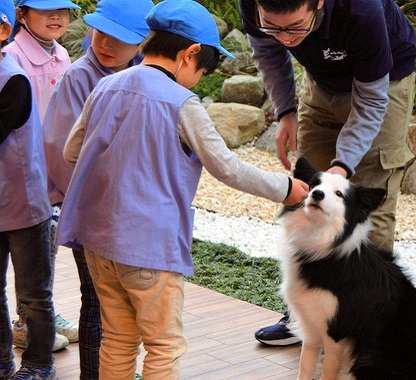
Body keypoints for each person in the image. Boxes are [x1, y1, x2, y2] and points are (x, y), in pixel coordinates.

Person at [55, 0, 309, 378]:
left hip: (97, 242)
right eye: (202, 69)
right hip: (148, 247)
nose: (198, 78)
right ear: (189, 54)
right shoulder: (182, 103)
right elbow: (227, 167)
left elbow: (71, 151)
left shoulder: (106, 85)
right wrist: (286, 188)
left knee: (119, 339)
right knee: (163, 345)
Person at [238, 0, 416, 345]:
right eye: (273, 26)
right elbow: (268, 53)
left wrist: (343, 166)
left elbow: (370, 103)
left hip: (382, 84)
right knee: (307, 196)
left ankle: (360, 325)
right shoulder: (255, 5)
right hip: (321, 83)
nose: (285, 38)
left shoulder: (361, 11)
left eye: (294, 27)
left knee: (366, 209)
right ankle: (306, 317)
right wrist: (286, 110)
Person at [42, 0, 154, 377]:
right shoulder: (79, 76)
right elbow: (61, 151)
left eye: (119, 38)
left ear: (143, 42)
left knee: (122, 303)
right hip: (91, 210)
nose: (105, 43)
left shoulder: (148, 75)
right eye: (100, 31)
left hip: (130, 212)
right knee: (98, 301)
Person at [3, 0, 81, 352]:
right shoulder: (14, 56)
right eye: (45, 10)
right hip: (25, 169)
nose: (56, 17)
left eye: (62, 11)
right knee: (32, 252)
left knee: (45, 250)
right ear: (21, 15)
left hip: (53, 166)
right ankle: (24, 321)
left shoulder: (62, 55)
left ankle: (36, 315)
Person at [0, 0, 58, 378]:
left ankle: (38, 364)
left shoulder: (12, 79)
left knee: (33, 296)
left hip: (22, 205)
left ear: (4, 30)